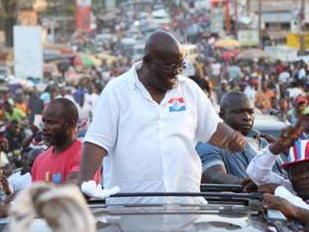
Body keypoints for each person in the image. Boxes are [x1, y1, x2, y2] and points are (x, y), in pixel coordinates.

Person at [79, 31, 246, 201]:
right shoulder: (117, 91)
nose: (176, 71)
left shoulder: (189, 89)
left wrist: (232, 137)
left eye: (180, 65)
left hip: (184, 209)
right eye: (169, 66)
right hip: (130, 212)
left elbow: (212, 128)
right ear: (148, 61)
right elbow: (96, 142)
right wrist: (85, 183)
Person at [195, 91, 272, 185]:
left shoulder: (262, 143)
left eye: (251, 112)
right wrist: (247, 186)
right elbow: (214, 176)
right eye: (239, 112)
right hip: (244, 199)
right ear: (222, 116)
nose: (247, 117)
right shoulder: (209, 143)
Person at [32, 99, 90, 184]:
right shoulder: (39, 161)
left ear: (70, 125)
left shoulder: (86, 156)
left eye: (51, 122)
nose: (44, 127)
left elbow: (75, 186)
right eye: (44, 121)